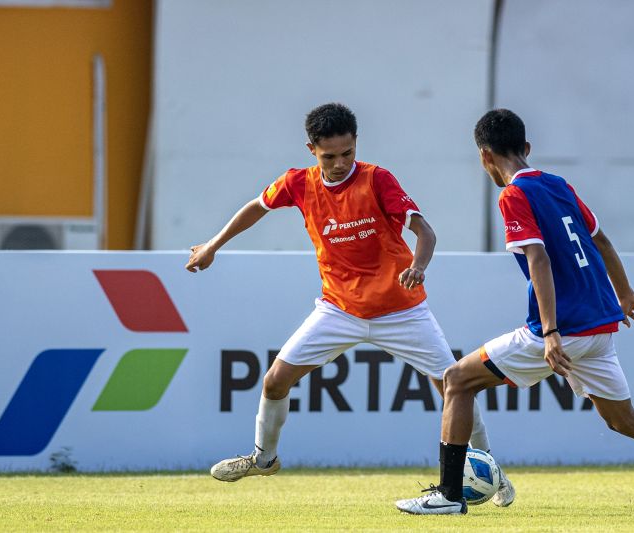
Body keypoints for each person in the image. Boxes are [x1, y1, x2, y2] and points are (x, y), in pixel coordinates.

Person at [395, 109, 634, 515]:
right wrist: (626, 292)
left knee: (457, 380)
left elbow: (539, 259)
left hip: (564, 329)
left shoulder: (513, 194)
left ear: (484, 156)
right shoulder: (559, 185)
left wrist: (549, 333)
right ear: (527, 148)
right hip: (599, 326)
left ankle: (448, 494)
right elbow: (602, 241)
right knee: (624, 420)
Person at [185, 103, 514, 506]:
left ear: (355, 144)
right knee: (274, 380)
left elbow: (425, 231)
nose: (340, 163)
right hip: (338, 310)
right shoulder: (297, 183)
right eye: (330, 156)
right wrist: (213, 245)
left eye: (347, 153)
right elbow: (257, 206)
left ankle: (488, 470)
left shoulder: (378, 180)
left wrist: (419, 265)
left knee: (454, 388)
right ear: (312, 150)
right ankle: (263, 458)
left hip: (403, 311)